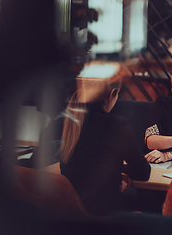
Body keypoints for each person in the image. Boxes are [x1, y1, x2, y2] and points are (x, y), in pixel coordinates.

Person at [59, 71, 151, 217]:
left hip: (70, 219)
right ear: (112, 94)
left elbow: (76, 167)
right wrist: (120, 172)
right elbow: (143, 172)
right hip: (106, 221)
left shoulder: (71, 121)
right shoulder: (115, 124)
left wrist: (113, 173)